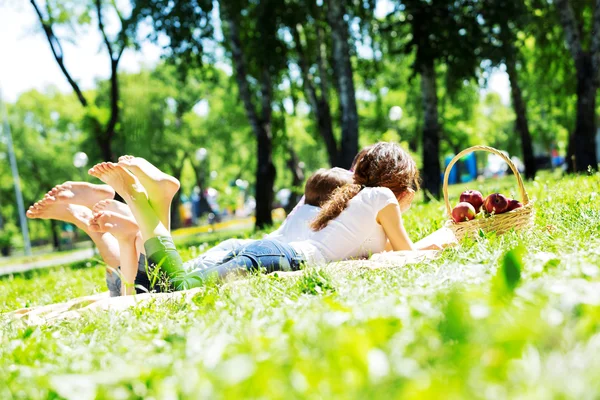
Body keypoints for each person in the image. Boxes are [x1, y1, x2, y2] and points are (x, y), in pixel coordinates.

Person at [87, 141, 434, 293]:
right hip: (281, 259)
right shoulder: (383, 197)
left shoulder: (351, 197)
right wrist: (441, 243)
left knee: (165, 289)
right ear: (402, 188)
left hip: (270, 253)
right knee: (177, 289)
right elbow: (406, 255)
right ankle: (139, 199)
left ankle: (155, 202)